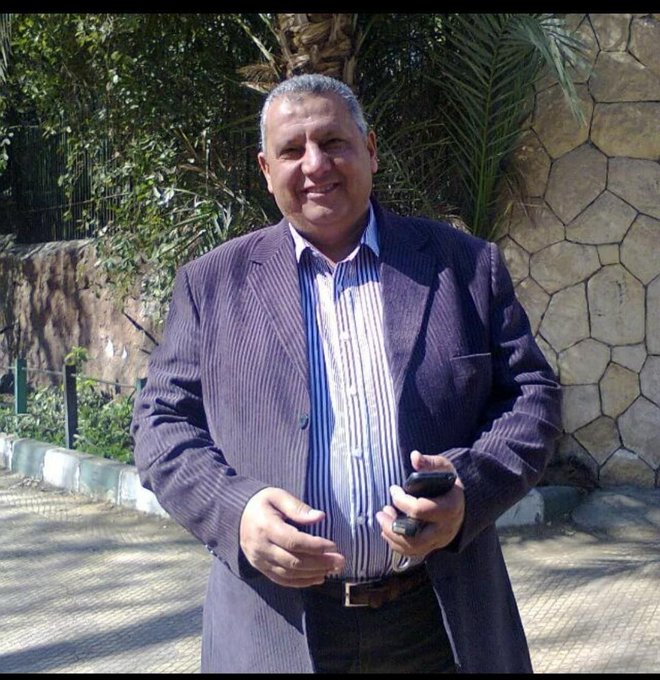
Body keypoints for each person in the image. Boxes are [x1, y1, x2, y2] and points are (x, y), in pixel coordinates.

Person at [131, 73, 562, 674]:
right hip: (275, 629)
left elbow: (531, 398)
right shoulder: (212, 285)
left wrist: (469, 490)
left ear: (371, 150)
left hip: (440, 623)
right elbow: (159, 423)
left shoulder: (463, 266)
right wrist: (237, 512)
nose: (315, 164)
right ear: (266, 169)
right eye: (292, 150)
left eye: (333, 142)